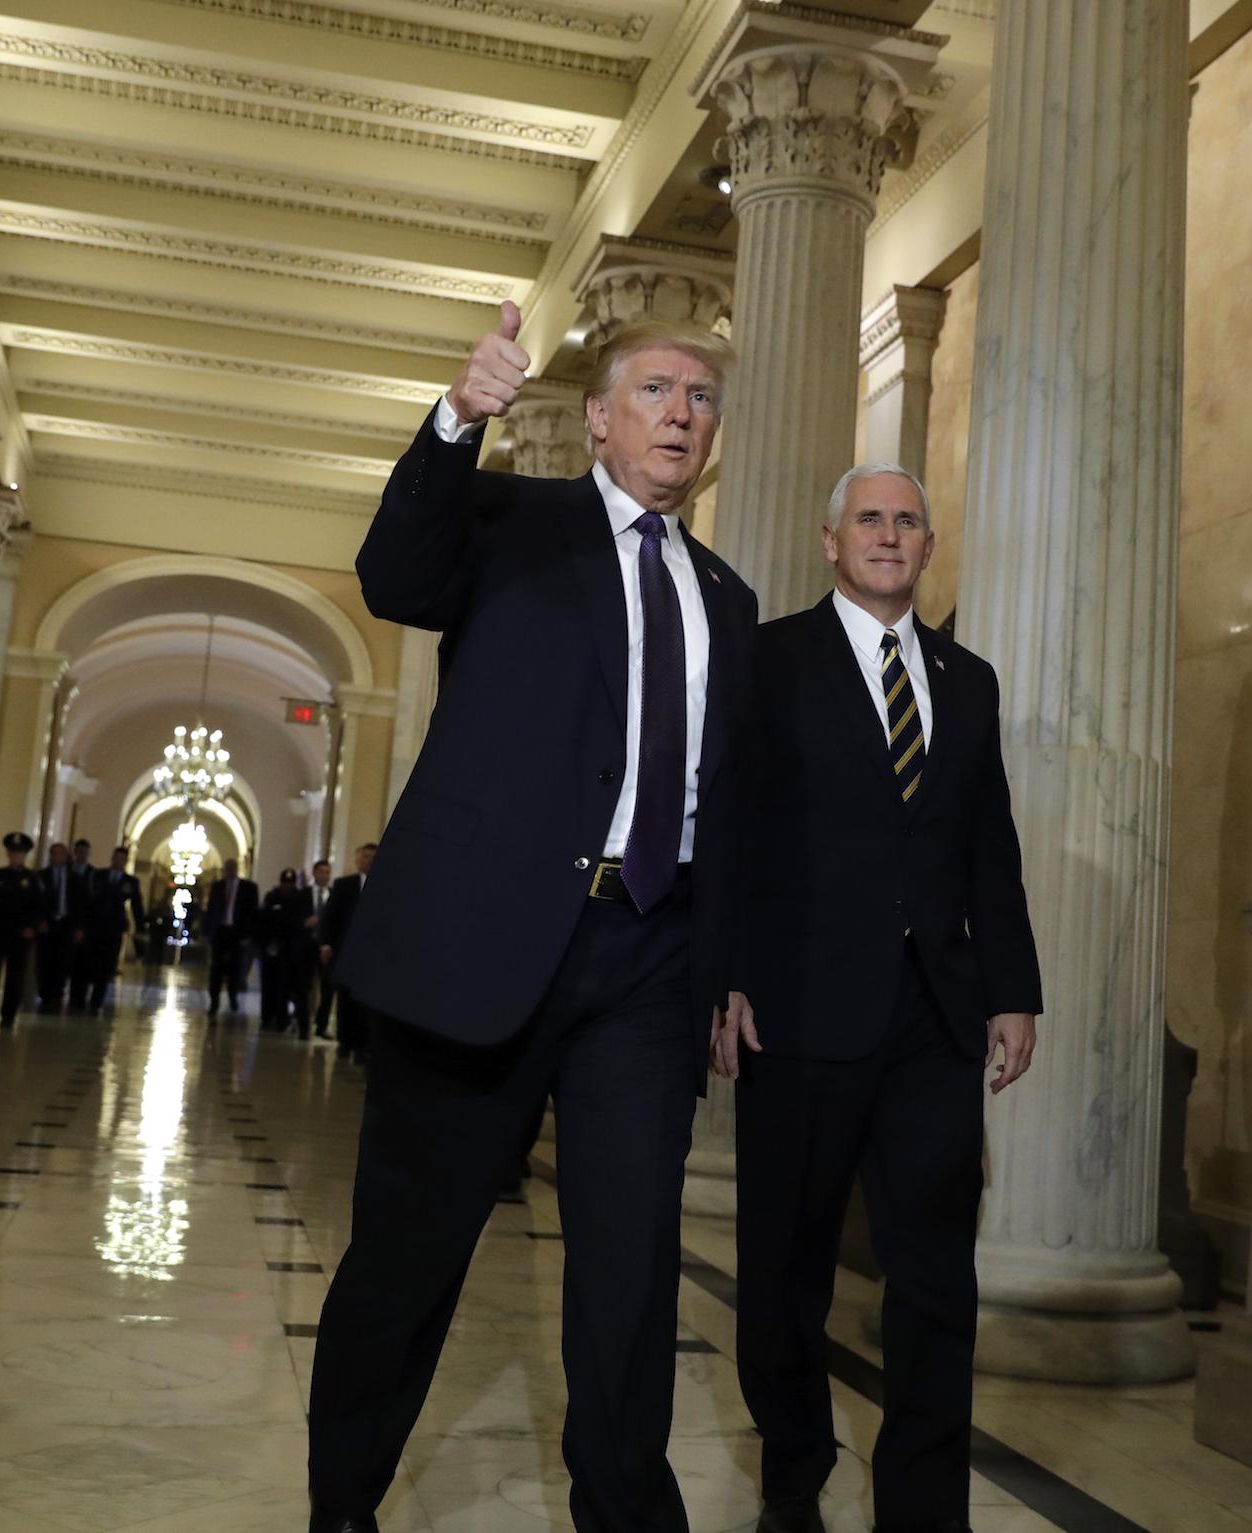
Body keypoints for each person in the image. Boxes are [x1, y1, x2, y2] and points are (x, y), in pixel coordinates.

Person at [307, 306, 757, 1533]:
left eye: (701, 397)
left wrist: (724, 969)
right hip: (480, 951)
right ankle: (343, 1501)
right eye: (657, 390)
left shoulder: (726, 595)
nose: (680, 412)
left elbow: (727, 804)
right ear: (601, 417)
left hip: (647, 964)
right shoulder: (510, 524)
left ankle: (623, 1509)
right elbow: (394, 576)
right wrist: (457, 419)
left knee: (628, 1272)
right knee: (410, 1257)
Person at [714, 465, 1043, 1533]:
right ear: (830, 541)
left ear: (928, 545)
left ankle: (921, 1509)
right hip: (797, 1006)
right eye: (869, 519)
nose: (888, 535)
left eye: (906, 521)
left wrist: (1011, 988)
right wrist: (720, 974)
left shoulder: (968, 678)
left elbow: (987, 842)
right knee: (783, 1271)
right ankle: (793, 1475)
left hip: (932, 1017)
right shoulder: (768, 663)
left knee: (936, 1280)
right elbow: (727, 829)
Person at [0, 832, 43, 1029]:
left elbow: (38, 907)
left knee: (15, 976)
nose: (15, 855)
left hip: (20, 935)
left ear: (25, 855)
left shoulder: (32, 879)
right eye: (12, 851)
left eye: (19, 852)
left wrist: (32, 928)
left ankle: (9, 1014)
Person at [318, 844, 374, 1061]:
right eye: (366, 856)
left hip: (369, 955)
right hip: (345, 951)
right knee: (345, 998)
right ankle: (345, 1042)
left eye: (373, 857)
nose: (369, 860)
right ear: (358, 859)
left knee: (364, 1001)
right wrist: (326, 944)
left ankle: (361, 1045)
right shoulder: (344, 885)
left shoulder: (384, 885)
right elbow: (330, 917)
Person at [83, 844, 147, 1013]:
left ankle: (96, 1001)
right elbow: (88, 900)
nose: (118, 861)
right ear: (112, 858)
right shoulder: (98, 875)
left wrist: (140, 928)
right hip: (94, 926)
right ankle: (82, 996)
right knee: (89, 962)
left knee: (107, 964)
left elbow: (137, 906)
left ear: (126, 861)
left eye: (122, 859)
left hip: (114, 927)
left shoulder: (130, 882)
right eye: (116, 858)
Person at [203, 858, 260, 1019]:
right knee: (216, 969)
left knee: (235, 968)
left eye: (231, 868)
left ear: (236, 869)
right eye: (226, 868)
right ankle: (214, 1003)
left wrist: (248, 935)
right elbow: (211, 910)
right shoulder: (217, 887)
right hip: (220, 932)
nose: (228, 871)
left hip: (237, 934)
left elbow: (253, 914)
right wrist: (207, 932)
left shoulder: (248, 888)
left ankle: (233, 995)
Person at [35, 840, 84, 1011]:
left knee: (63, 960)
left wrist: (79, 927)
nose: (56, 857)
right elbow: (36, 902)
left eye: (59, 854)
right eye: (53, 853)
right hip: (47, 925)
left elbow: (80, 904)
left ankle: (58, 992)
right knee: (44, 960)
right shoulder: (41, 876)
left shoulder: (75, 878)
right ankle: (44, 993)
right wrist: (40, 920)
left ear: (66, 856)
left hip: (66, 925)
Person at [259, 867, 309, 1030]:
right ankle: (267, 1017)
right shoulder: (272, 897)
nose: (287, 886)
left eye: (290, 883)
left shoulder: (299, 899)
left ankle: (282, 1019)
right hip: (270, 949)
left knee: (284, 987)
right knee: (268, 985)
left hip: (288, 950)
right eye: (285, 882)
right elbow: (264, 922)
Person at [303, 858, 338, 1038]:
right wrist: (305, 923)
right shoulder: (304, 894)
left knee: (327, 988)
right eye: (321, 871)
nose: (325, 875)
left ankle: (321, 1025)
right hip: (306, 947)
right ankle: (302, 1020)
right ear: (315, 873)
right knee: (305, 986)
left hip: (325, 948)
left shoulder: (335, 894)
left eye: (327, 872)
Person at [65, 838, 98, 1009]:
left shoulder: (93, 874)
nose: (82, 855)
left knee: (82, 964)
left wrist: (84, 927)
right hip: (65, 924)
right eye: (79, 851)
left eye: (85, 852)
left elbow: (93, 903)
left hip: (84, 926)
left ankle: (79, 997)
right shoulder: (66, 870)